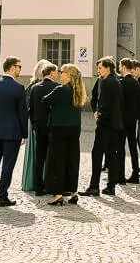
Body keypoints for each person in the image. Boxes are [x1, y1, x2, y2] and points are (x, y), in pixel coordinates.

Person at [0, 56, 27, 207]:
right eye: (19, 66)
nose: (20, 69)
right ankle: (2, 197)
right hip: (12, 133)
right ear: (12, 67)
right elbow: (23, 114)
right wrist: (24, 134)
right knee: (7, 165)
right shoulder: (18, 88)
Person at [43, 63, 86, 206]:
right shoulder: (78, 90)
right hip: (75, 128)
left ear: (68, 75)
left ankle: (58, 195)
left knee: (58, 160)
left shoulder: (61, 89)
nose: (60, 75)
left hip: (60, 128)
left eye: (62, 72)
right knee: (72, 160)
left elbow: (45, 100)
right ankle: (74, 192)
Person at [82, 56, 124, 197]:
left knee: (97, 154)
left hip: (106, 124)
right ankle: (111, 187)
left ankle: (94, 187)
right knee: (111, 155)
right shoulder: (115, 81)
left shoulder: (107, 82)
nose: (98, 70)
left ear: (108, 68)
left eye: (100, 68)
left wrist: (99, 117)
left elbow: (105, 105)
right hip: (115, 124)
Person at [22, 59, 58, 195]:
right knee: (52, 157)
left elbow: (30, 110)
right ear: (51, 72)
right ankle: (51, 185)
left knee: (39, 157)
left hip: (38, 127)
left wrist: (34, 125)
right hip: (53, 127)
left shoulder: (34, 88)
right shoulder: (57, 87)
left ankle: (38, 187)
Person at [118, 58, 140, 183]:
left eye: (120, 66)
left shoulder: (122, 82)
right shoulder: (135, 82)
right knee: (133, 147)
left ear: (124, 67)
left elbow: (120, 101)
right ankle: (135, 174)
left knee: (121, 147)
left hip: (122, 119)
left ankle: (121, 176)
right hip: (133, 118)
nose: (119, 68)